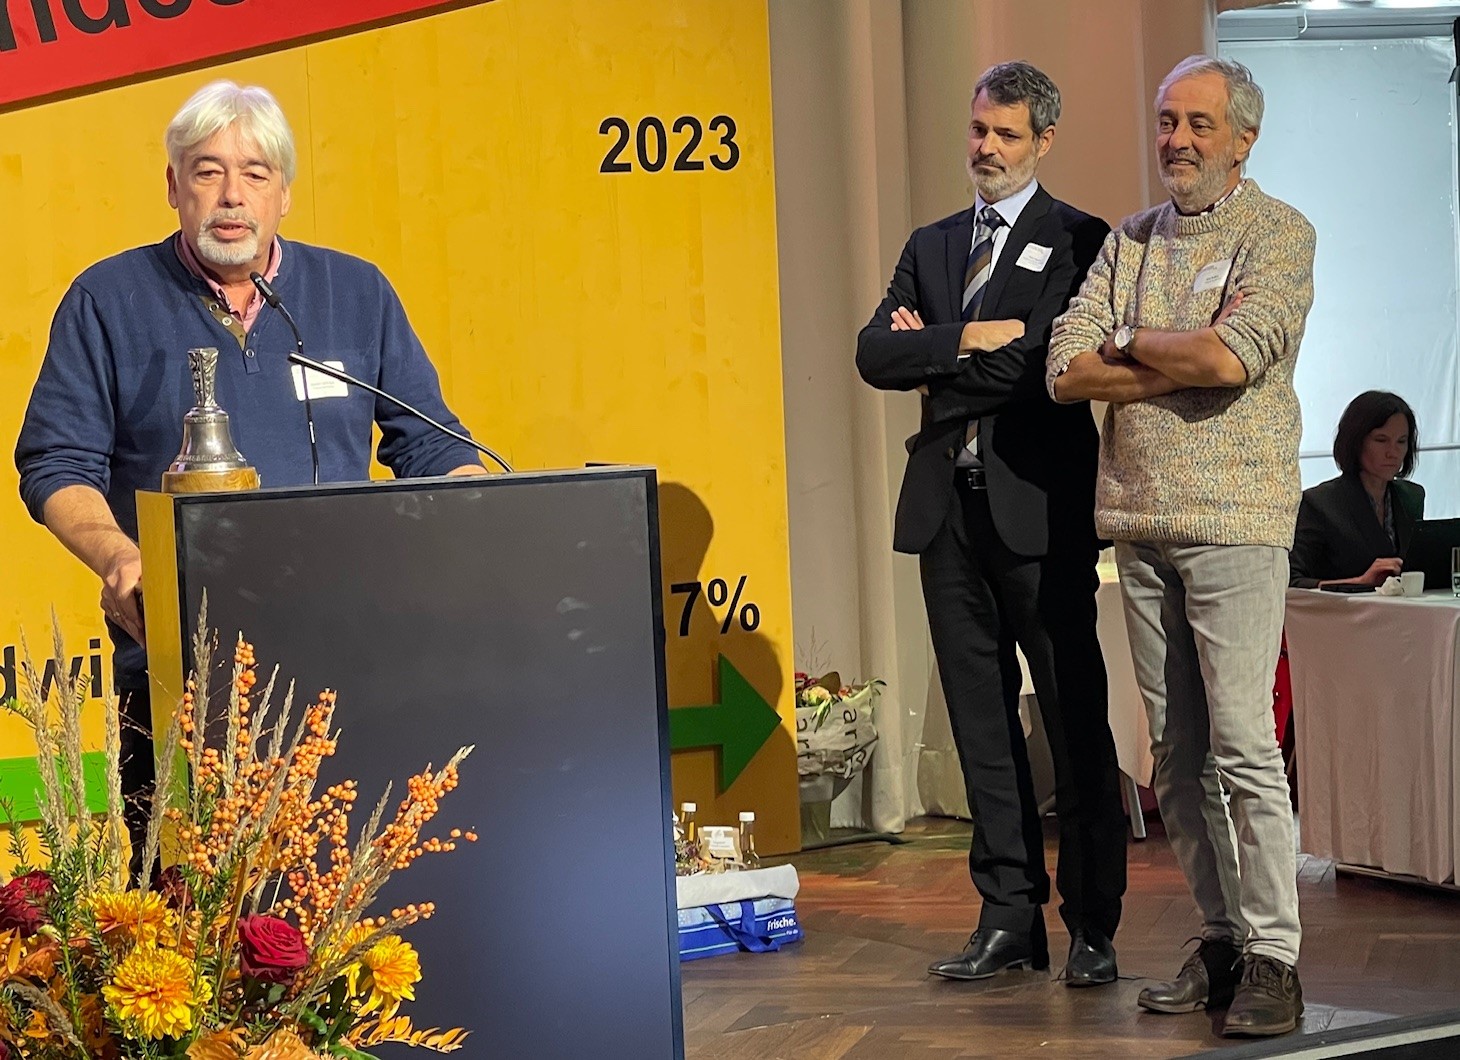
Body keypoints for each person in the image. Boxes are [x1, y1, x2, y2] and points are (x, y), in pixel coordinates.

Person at [15, 80, 486, 873]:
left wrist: (493, 511)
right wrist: (120, 556)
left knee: (347, 895)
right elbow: (55, 461)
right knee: (191, 914)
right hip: (182, 667)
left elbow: (432, 446)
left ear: (285, 193)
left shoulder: (355, 293)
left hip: (352, 660)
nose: (232, 196)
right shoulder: (108, 299)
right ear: (173, 186)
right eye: (206, 171)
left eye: (255, 172)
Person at [1047, 55, 1314, 1037]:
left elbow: (1229, 354)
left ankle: (1272, 957)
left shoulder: (1278, 232)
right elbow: (1063, 371)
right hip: (1137, 523)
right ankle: (1216, 940)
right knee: (1177, 755)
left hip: (1235, 523)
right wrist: (1163, 349)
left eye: (1198, 124)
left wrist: (1133, 344)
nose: (1177, 140)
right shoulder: (1127, 238)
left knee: (1243, 745)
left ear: (1241, 138)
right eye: (1166, 121)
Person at [857, 60, 1126, 988]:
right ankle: (1009, 915)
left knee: (1072, 719)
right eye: (979, 130)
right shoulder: (934, 245)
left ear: (1043, 141)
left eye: (1007, 135)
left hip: (1039, 512)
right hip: (946, 514)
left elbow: (1041, 365)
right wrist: (963, 339)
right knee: (981, 726)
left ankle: (1093, 922)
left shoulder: (1080, 237)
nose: (987, 149)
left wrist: (928, 359)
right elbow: (869, 354)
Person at [1289, 391, 1424, 588]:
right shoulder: (1319, 503)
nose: (1393, 452)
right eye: (1381, 440)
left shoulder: (1412, 497)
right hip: (1342, 615)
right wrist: (1359, 582)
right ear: (1356, 441)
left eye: (1401, 441)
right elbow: (1292, 581)